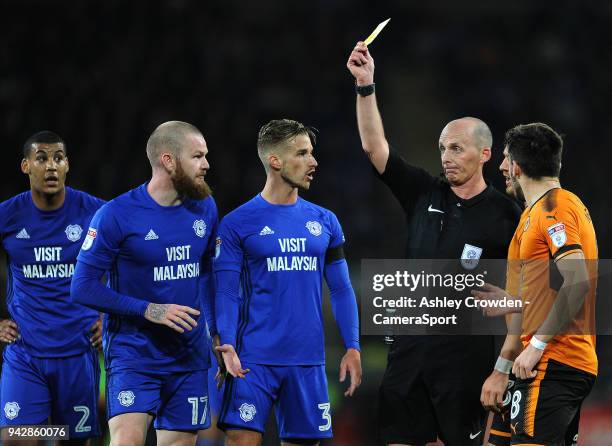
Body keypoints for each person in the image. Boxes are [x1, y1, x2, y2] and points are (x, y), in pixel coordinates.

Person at [346, 41, 522, 446]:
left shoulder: (506, 215)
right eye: (442, 148)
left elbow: (527, 290)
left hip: (464, 360)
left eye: (456, 148)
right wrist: (365, 86)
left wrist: (505, 363)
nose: (445, 156)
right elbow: (375, 148)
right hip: (408, 351)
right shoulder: (424, 193)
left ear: (484, 153)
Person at [71, 121, 221, 446]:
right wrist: (148, 309)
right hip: (133, 353)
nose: (207, 164)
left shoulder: (205, 207)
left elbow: (208, 272)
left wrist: (217, 332)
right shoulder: (116, 215)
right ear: (169, 160)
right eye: (197, 156)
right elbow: (81, 285)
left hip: (188, 356)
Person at [214, 119, 362, 446]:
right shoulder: (237, 223)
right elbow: (224, 291)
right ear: (275, 161)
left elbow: (340, 288)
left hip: (307, 361)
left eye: (312, 153)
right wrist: (226, 344)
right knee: (241, 440)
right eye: (303, 153)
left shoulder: (325, 222)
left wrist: (352, 344)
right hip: (252, 358)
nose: (314, 162)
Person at [476, 123, 597, 445]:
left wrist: (538, 346)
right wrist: (504, 366)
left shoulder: (556, 208)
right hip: (529, 364)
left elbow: (577, 282)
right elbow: (540, 296)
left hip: (554, 361)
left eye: (504, 159)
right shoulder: (531, 215)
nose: (500, 167)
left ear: (516, 166)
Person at [0, 131, 104, 445]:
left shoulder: (95, 212)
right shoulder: (7, 216)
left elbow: (128, 262)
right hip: (25, 351)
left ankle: (54, 434)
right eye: (42, 158)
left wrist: (111, 317)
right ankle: (49, 433)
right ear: (25, 166)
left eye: (58, 158)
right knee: (16, 438)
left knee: (72, 439)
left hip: (78, 351)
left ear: (68, 165)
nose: (51, 167)